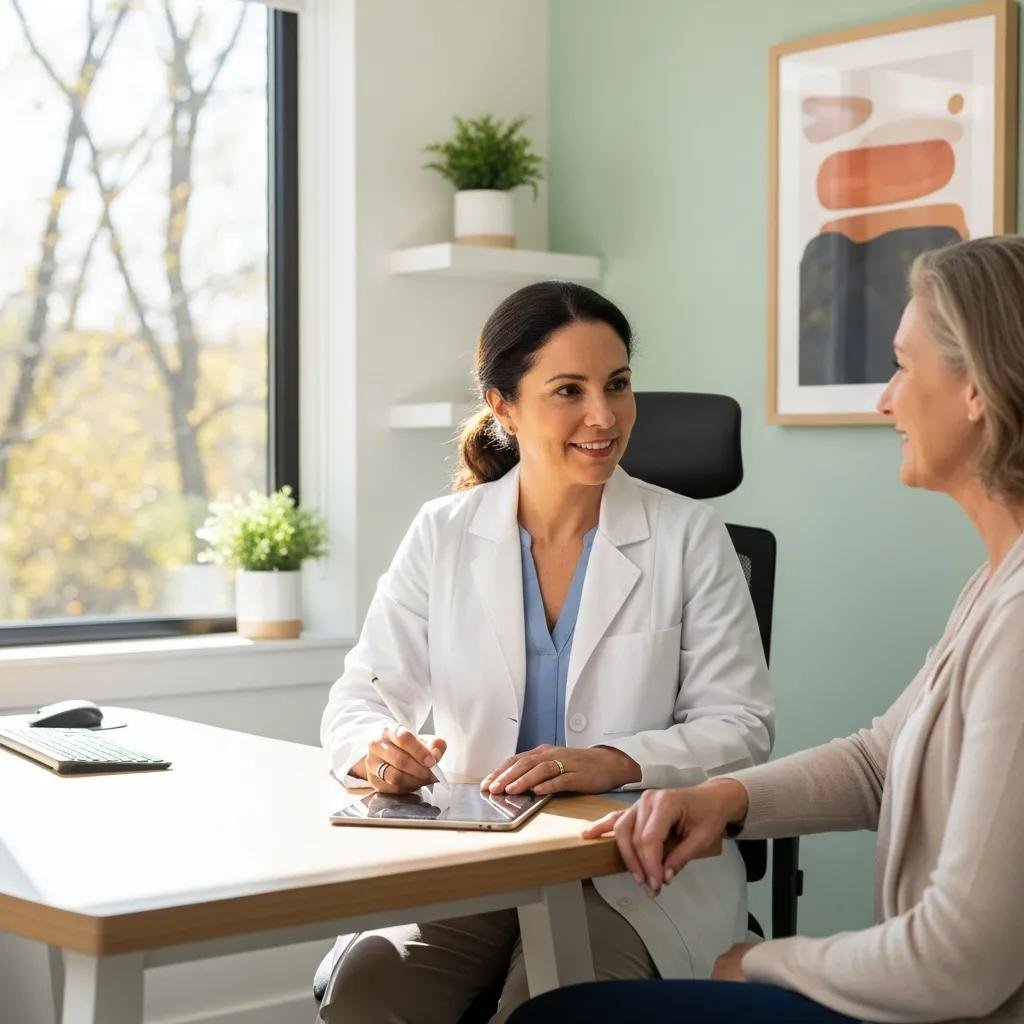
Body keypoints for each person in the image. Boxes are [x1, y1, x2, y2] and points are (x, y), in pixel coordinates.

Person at [511, 234, 1024, 1024]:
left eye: (901, 367)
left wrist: (766, 961)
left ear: (977, 392)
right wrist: (722, 800)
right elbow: (881, 760)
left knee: (560, 1013)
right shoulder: (994, 586)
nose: (884, 400)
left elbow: (957, 962)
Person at [318, 280, 774, 1023]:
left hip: (632, 869)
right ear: (503, 405)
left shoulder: (690, 536)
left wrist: (616, 760)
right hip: (477, 865)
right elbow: (360, 695)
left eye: (618, 384)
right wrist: (377, 750)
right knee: (369, 996)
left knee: (554, 1006)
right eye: (570, 390)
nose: (604, 415)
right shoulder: (443, 532)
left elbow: (743, 726)